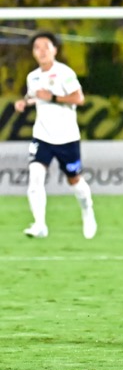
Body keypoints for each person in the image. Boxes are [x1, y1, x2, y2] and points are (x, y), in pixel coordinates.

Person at [13, 32, 97, 240]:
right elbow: (34, 96)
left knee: (74, 180)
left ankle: (88, 211)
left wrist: (51, 96)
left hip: (66, 137)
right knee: (35, 177)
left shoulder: (64, 73)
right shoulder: (32, 76)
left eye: (45, 46)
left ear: (54, 50)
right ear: (33, 53)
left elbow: (79, 98)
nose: (41, 51)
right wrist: (25, 102)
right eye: (37, 48)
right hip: (42, 136)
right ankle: (40, 224)